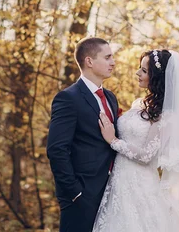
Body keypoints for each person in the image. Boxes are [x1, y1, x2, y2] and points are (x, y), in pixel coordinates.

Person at [93, 49, 179, 232]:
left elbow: (146, 155)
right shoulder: (139, 104)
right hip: (119, 181)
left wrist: (113, 141)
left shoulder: (166, 114)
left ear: (156, 78)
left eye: (144, 71)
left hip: (139, 185)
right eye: (139, 68)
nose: (138, 73)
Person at [47, 37, 119, 232]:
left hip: (112, 195)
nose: (113, 62)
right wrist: (75, 192)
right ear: (89, 61)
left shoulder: (111, 98)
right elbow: (56, 149)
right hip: (81, 197)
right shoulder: (68, 98)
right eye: (107, 57)